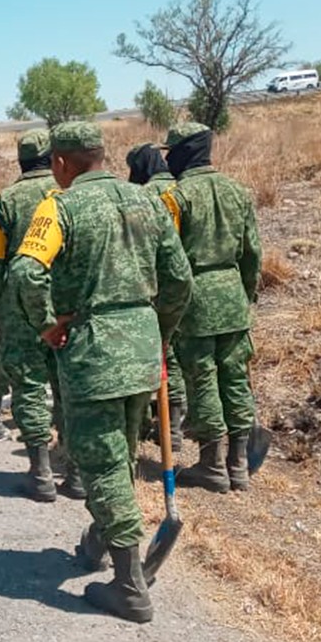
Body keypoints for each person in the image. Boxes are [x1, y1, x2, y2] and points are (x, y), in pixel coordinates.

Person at [11, 122, 193, 622]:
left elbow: (25, 272)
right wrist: (159, 331)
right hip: (141, 348)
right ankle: (98, 540)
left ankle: (129, 585)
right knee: (119, 453)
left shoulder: (59, 206)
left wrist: (47, 325)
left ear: (63, 164)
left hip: (93, 353)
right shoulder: (147, 201)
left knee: (104, 462)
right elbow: (178, 280)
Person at [159, 122, 262, 493]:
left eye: (171, 152)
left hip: (195, 298)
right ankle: (239, 464)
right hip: (232, 295)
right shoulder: (238, 191)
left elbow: (168, 261)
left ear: (186, 152)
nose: (167, 159)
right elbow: (253, 254)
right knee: (234, 377)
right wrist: (244, 295)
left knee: (201, 377)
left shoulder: (175, 197)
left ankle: (211, 464)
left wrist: (164, 308)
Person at [0, 129, 63, 500]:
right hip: (66, 304)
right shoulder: (67, 194)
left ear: (21, 161)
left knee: (27, 384)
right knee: (65, 384)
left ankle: (40, 472)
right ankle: (73, 472)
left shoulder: (5, 202)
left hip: (19, 307)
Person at [127, 143, 188, 450]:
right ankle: (173, 428)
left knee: (162, 355)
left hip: (158, 288)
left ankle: (154, 427)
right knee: (178, 359)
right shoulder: (184, 188)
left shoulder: (146, 197)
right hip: (191, 287)